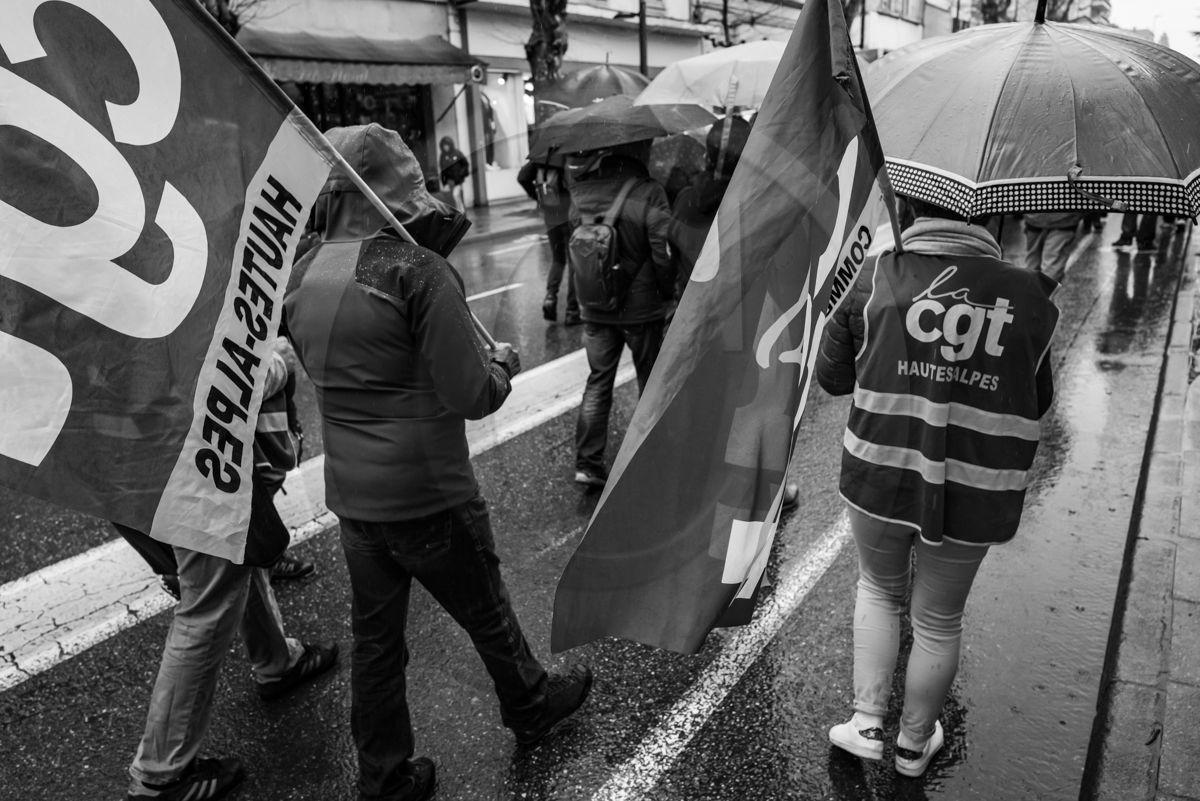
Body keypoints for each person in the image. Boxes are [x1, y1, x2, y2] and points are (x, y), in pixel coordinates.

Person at [284, 124, 593, 801]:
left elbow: (324, 368)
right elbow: (471, 394)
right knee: (486, 610)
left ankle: (385, 776)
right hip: (429, 491)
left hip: (356, 500)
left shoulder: (303, 273)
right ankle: (531, 705)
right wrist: (502, 368)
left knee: (375, 644)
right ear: (396, 190)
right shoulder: (416, 271)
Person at [815, 196, 1059, 778]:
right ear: (991, 212)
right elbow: (1039, 397)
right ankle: (913, 746)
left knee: (878, 590)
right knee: (939, 619)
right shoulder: (1029, 297)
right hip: (974, 486)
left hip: (879, 472)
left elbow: (832, 379)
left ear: (908, 205)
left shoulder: (872, 277)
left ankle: (868, 724)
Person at [121, 397, 339, 801]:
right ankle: (160, 773)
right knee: (206, 600)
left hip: (111, 454)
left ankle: (278, 661)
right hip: (178, 449)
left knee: (231, 557)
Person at [565, 139, 674, 487]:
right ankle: (654, 454)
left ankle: (588, 463)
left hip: (594, 307)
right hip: (641, 310)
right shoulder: (650, 192)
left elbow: (579, 249)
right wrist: (667, 292)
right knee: (651, 383)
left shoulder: (579, 192)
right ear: (638, 154)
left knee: (598, 382)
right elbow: (663, 252)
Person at [668, 116, 751, 297]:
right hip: (738, 313)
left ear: (707, 155)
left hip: (692, 311)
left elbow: (672, 254)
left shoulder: (684, 200)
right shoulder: (754, 204)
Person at [518, 155, 580, 325]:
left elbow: (522, 177)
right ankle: (572, 311)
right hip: (568, 216)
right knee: (574, 263)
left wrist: (538, 198)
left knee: (558, 260)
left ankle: (550, 298)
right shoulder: (566, 155)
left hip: (550, 216)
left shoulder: (541, 157)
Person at [1022, 211, 1081, 281]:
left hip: (1034, 214)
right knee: (1052, 265)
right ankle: (1046, 290)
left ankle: (1030, 289)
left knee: (1032, 261)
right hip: (1065, 216)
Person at [438, 135, 470, 210]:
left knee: (456, 195)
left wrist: (461, 174)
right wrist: (444, 183)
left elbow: (465, 164)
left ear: (450, 145)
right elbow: (443, 170)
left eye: (446, 145)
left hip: (458, 180)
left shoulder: (457, 153)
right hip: (449, 180)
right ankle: (458, 212)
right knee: (451, 197)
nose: (445, 148)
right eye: (443, 146)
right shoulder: (442, 156)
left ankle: (461, 212)